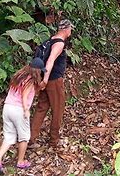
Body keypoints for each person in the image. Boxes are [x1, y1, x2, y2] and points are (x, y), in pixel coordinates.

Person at [0, 57, 45, 174]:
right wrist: (26, 109)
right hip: (18, 109)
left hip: (7, 107)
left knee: (9, 136)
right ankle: (20, 161)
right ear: (37, 71)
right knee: (24, 136)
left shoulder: (18, 77)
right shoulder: (30, 81)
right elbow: (24, 95)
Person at [30, 19, 73, 148]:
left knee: (42, 107)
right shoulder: (59, 43)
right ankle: (54, 141)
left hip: (44, 79)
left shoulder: (50, 40)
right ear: (66, 29)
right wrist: (46, 79)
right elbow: (50, 61)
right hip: (53, 80)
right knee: (58, 109)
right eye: (70, 29)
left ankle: (31, 139)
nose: (70, 31)